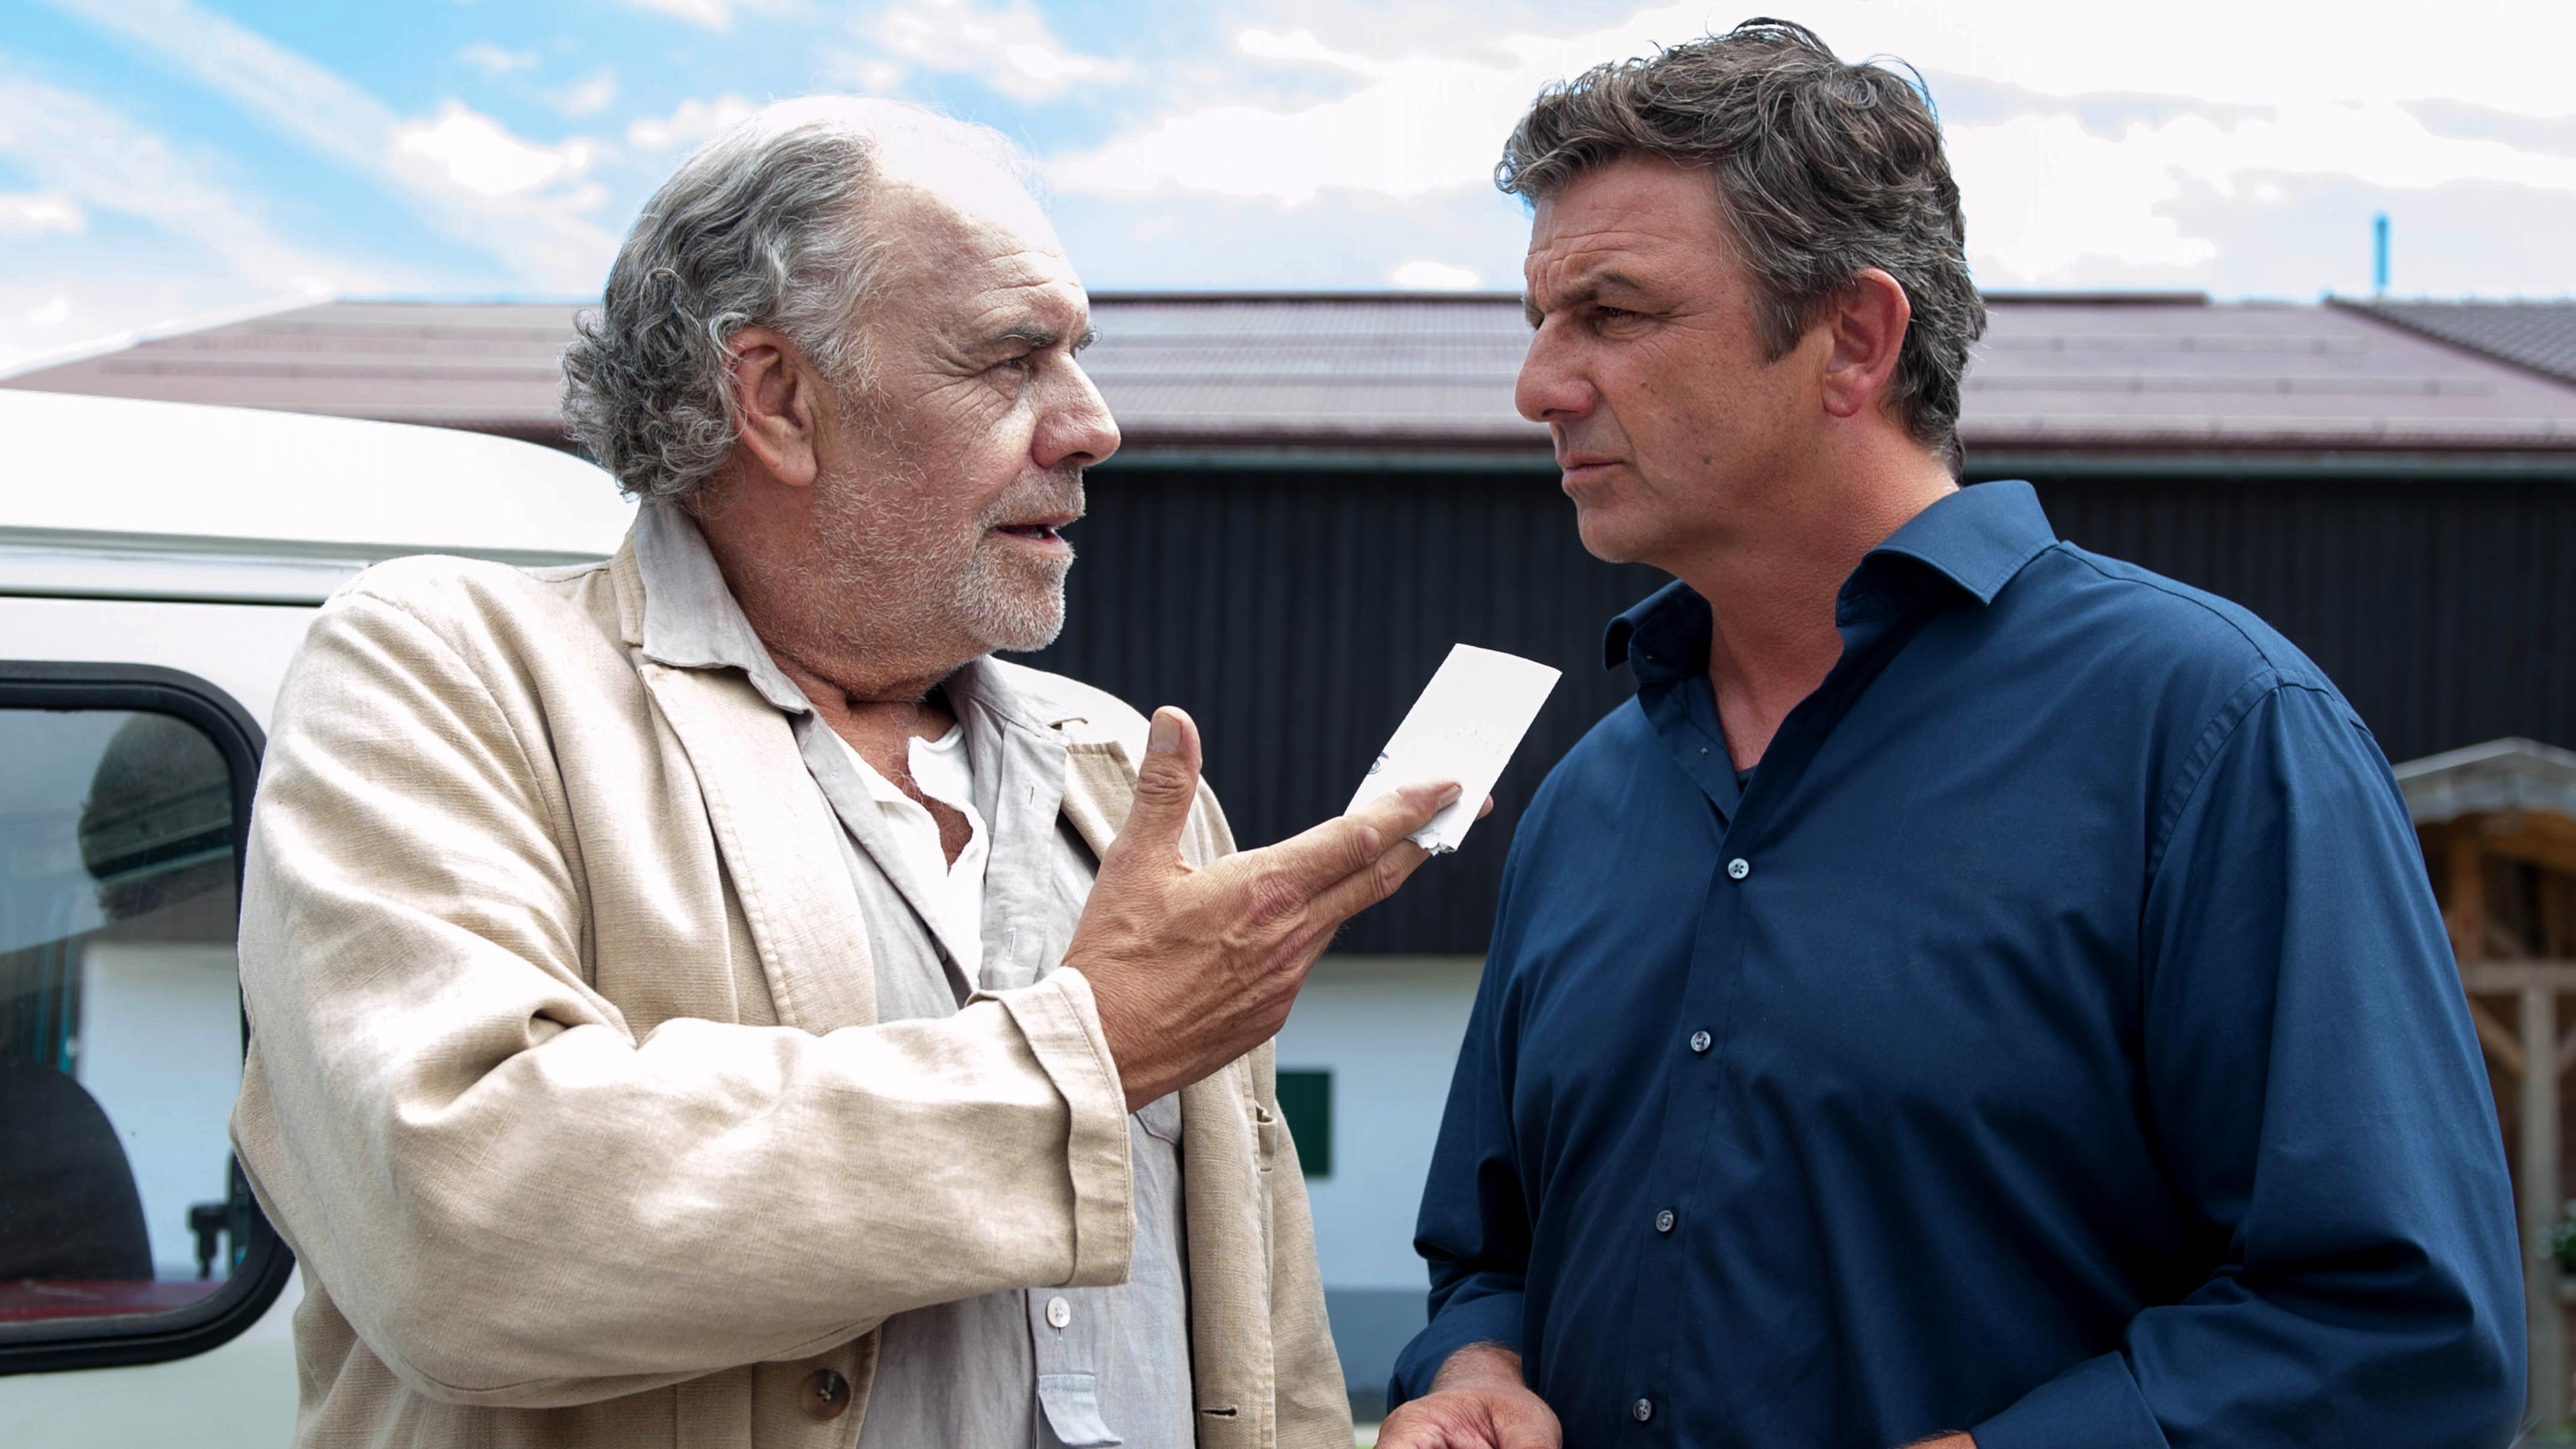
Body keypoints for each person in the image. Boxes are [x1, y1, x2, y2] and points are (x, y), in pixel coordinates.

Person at [229, 98, 1459, 1449]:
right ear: (776, 398)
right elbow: (461, 1227)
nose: (1093, 425)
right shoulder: (450, 672)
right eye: (1012, 361)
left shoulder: (1120, 770)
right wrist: (1087, 1059)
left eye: (1079, 358)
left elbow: (1266, 1343)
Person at [1380, 21, 2524, 1449]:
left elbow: (2406, 1338)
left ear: (1853, 339)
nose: (1539, 386)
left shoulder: (2213, 734)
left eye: (1611, 314)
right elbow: (1485, 1258)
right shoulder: (1584, 801)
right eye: (1542, 320)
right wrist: (1476, 1372)